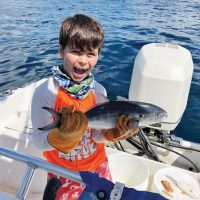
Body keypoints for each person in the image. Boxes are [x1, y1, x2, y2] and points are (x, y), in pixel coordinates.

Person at [31, 14, 139, 200]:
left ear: (98, 55)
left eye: (91, 54)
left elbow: (96, 136)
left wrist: (112, 134)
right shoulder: (46, 91)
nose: (83, 61)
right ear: (61, 50)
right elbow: (38, 142)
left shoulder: (98, 90)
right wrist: (62, 137)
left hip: (99, 166)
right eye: (76, 52)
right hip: (62, 173)